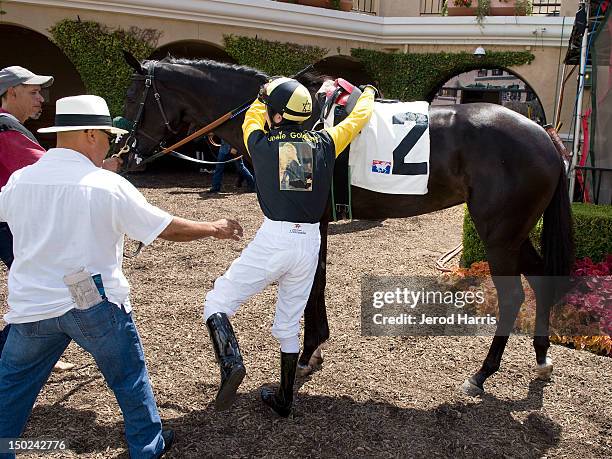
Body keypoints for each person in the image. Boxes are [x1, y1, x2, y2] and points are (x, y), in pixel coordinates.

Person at [0, 95, 243, 458]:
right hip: (90, 301)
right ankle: (147, 447)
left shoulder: (20, 180)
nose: (109, 145)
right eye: (108, 137)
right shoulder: (106, 185)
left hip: (31, 303)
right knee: (128, 379)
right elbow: (165, 228)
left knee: (11, 388)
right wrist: (212, 227)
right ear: (91, 134)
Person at [203, 77, 376, 416]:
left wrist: (261, 94)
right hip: (310, 242)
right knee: (288, 322)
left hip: (275, 238)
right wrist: (368, 92)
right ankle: (284, 397)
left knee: (217, 301)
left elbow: (252, 117)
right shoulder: (327, 140)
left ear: (278, 117)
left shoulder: (259, 141)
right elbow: (358, 118)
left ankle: (231, 363)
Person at [0, 65, 81, 372]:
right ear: (12, 92)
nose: (40, 100)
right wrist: (98, 168)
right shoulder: (6, 128)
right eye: (33, 92)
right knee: (52, 286)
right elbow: (50, 172)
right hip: (6, 226)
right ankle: (18, 352)